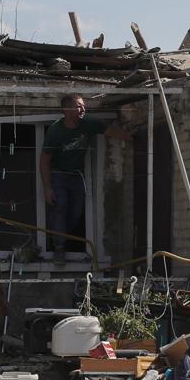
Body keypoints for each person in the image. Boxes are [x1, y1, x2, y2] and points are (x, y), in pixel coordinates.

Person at [40, 94, 132, 264]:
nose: (83, 109)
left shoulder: (89, 123)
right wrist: (47, 187)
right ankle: (59, 249)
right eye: (78, 106)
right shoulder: (55, 131)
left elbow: (110, 131)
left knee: (76, 212)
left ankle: (64, 238)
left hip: (77, 176)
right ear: (66, 110)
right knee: (60, 208)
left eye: (83, 106)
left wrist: (132, 136)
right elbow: (44, 161)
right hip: (59, 175)